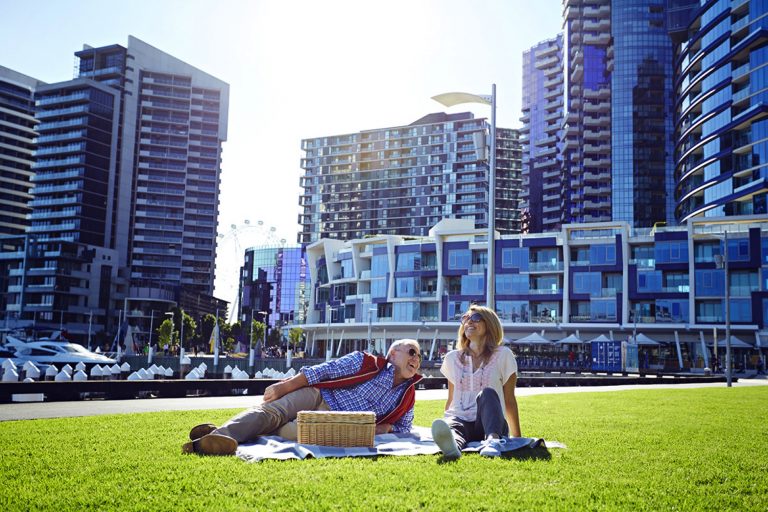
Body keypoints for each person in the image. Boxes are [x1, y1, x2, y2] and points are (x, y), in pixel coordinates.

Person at [183, 338, 423, 455]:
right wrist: (284, 387)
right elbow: (322, 371)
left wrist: (386, 428)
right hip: (317, 392)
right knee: (272, 412)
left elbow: (404, 428)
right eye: (412, 352)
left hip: (333, 419)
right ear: (393, 353)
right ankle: (216, 439)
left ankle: (220, 435)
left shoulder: (407, 395)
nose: (416, 359)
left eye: (419, 357)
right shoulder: (366, 361)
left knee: (292, 431)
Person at [431, 305, 521, 459]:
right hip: (460, 419)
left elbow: (509, 400)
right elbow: (451, 399)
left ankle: (493, 441)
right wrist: (448, 421)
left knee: (488, 393)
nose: (469, 322)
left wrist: (518, 438)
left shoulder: (503, 355)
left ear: (490, 324)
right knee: (454, 425)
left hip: (491, 423)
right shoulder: (452, 358)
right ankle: (453, 445)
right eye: (465, 318)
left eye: (476, 318)